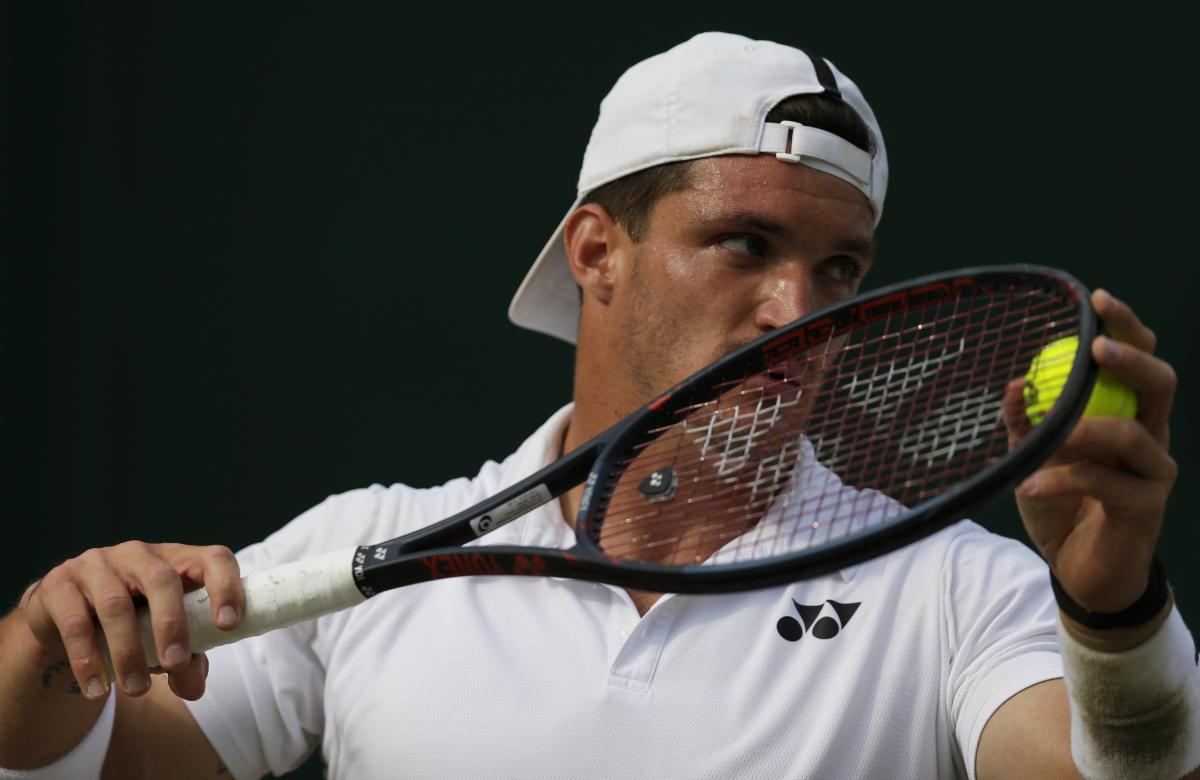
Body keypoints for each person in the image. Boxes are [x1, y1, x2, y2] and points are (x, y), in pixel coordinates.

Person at [0, 31, 1195, 780]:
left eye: (840, 268)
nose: (802, 308)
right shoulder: (357, 546)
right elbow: (92, 761)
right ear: (597, 252)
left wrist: (1116, 614)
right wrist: (43, 648)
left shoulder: (955, 588)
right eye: (744, 242)